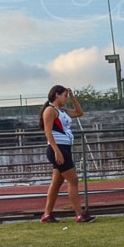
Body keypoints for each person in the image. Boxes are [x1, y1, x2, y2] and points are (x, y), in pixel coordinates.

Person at [39, 85, 95, 224]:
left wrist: (73, 96)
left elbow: (79, 112)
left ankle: (47, 215)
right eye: (64, 96)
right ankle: (79, 214)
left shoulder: (62, 111)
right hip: (58, 149)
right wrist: (57, 151)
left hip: (65, 148)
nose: (66, 99)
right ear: (56, 95)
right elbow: (48, 131)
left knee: (57, 183)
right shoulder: (50, 110)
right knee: (73, 180)